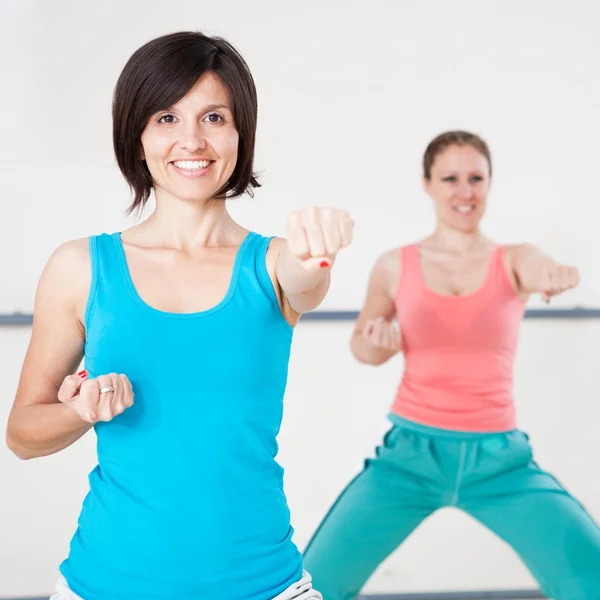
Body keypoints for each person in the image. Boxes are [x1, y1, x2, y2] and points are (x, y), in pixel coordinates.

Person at [6, 31, 353, 600]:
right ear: (137, 136)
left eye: (214, 117)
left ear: (241, 134)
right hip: (104, 585)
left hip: (266, 586)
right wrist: (81, 412)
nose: (192, 140)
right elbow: (22, 434)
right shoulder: (80, 267)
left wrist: (320, 250)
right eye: (166, 118)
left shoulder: (272, 264)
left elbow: (308, 279)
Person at [302, 130, 600, 600]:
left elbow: (539, 268)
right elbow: (363, 344)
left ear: (489, 184)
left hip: (501, 460)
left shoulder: (515, 258)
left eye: (476, 178)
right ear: (428, 184)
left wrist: (554, 275)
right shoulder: (394, 264)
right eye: (451, 178)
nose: (465, 191)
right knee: (314, 585)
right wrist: (378, 345)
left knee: (591, 575)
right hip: (411, 457)